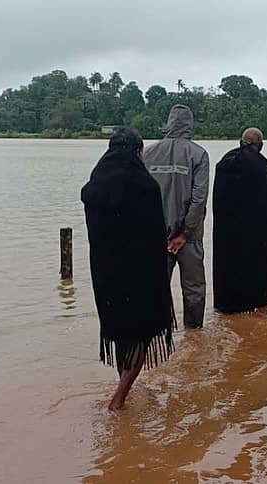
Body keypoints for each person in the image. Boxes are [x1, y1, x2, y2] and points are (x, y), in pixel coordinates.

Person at [81, 127, 177, 411]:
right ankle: (118, 399)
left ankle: (122, 388)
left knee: (121, 333)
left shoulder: (94, 188)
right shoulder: (145, 187)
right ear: (138, 152)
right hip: (140, 274)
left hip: (105, 275)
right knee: (142, 333)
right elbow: (154, 234)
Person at [143, 105, 209, 329]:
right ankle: (194, 335)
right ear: (190, 125)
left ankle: (157, 333)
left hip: (155, 235)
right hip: (189, 237)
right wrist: (185, 234)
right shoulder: (198, 154)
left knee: (156, 286)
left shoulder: (148, 153)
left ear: (168, 124)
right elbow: (199, 200)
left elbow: (141, 195)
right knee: (194, 288)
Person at [212, 128, 267, 313]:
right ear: (261, 146)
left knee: (229, 266)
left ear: (240, 142)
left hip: (227, 231)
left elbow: (218, 202)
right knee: (257, 265)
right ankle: (258, 301)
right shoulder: (264, 166)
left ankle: (228, 305)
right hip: (257, 232)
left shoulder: (225, 163)